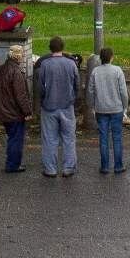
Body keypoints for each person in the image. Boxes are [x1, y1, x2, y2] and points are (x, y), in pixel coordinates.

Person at [35, 36, 80, 177]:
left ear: (50, 48)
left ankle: (50, 169)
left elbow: (40, 87)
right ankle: (68, 168)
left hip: (49, 106)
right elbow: (77, 84)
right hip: (67, 106)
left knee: (49, 139)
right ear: (63, 47)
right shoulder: (71, 64)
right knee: (69, 138)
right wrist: (73, 98)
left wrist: (42, 100)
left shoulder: (45, 65)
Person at [0, 44, 33, 174]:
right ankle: (13, 165)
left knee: (11, 137)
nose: (23, 56)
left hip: (2, 110)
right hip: (14, 112)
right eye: (22, 54)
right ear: (18, 56)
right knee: (16, 139)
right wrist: (27, 112)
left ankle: (12, 163)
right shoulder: (16, 72)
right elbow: (21, 95)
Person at [88, 46, 129, 175]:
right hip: (116, 108)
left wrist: (92, 106)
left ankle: (104, 166)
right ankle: (118, 166)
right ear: (112, 57)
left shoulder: (95, 71)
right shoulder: (118, 70)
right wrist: (125, 106)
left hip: (101, 109)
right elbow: (123, 91)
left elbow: (90, 91)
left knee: (103, 138)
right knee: (117, 137)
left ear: (101, 58)